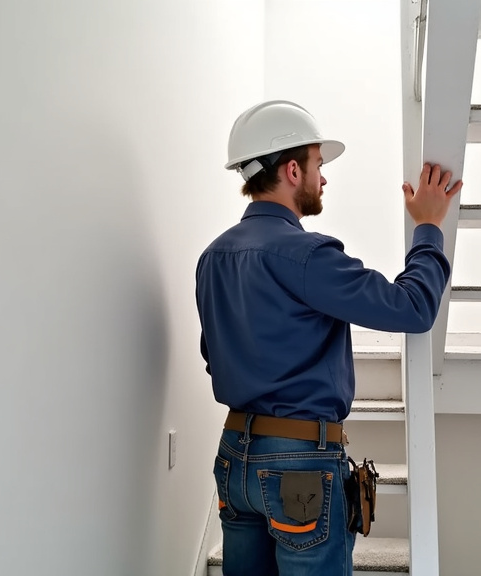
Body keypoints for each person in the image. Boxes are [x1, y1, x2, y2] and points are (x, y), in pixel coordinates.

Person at [195, 100, 462, 576]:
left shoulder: (213, 257)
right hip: (298, 465)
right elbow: (413, 308)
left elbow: (214, 357)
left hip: (234, 457)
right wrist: (427, 225)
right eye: (319, 164)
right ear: (292, 169)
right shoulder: (307, 255)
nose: (324, 178)